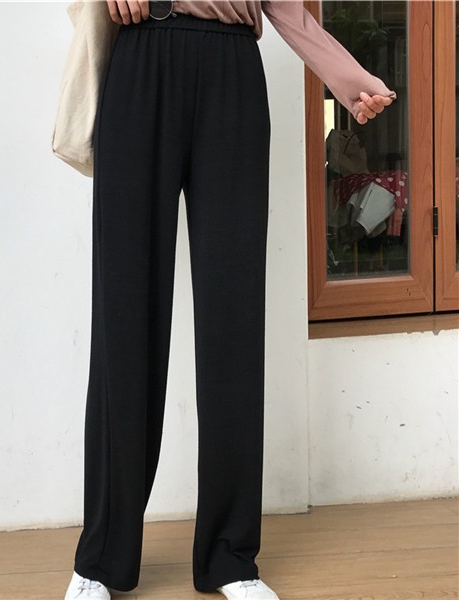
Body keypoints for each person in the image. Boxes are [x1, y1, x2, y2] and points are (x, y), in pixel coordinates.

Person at [63, 1, 396, 599]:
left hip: (231, 71)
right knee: (123, 318)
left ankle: (229, 556)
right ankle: (101, 559)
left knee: (233, 320)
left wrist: (346, 78)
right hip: (139, 60)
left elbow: (285, 7)